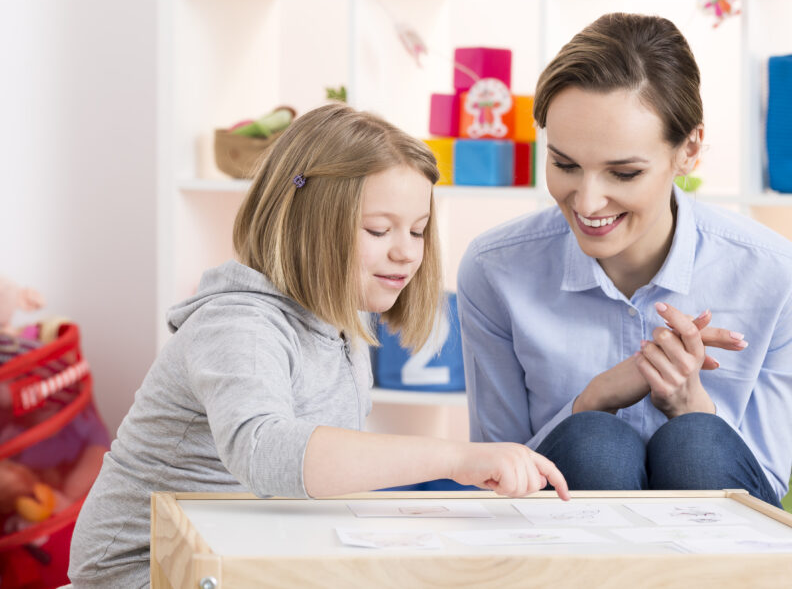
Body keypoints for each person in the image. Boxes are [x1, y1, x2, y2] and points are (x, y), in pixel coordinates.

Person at [67, 102, 569, 588]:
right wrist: (455, 458)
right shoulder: (239, 323)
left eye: (417, 231)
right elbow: (265, 451)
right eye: (378, 229)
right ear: (310, 224)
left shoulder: (339, 329)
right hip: (147, 571)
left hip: (237, 553)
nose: (405, 251)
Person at [458, 12, 792, 507]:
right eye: (564, 164)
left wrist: (690, 405)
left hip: (719, 561)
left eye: (624, 173)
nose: (588, 202)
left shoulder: (771, 272)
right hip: (562, 557)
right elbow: (496, 471)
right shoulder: (496, 269)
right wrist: (593, 401)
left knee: (696, 443)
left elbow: (770, 479)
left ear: (689, 150)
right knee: (593, 443)